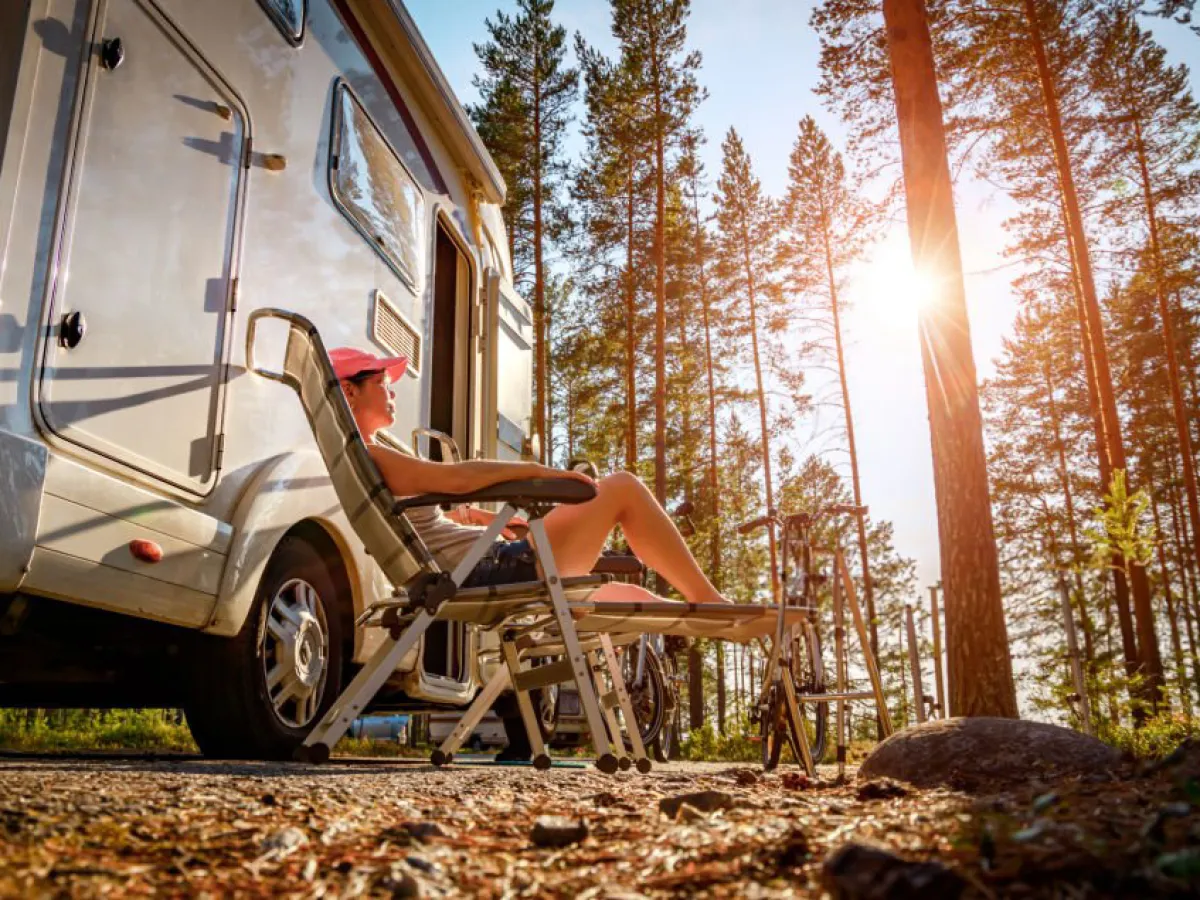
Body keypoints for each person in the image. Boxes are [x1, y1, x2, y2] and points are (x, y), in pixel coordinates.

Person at [331, 347, 730, 758]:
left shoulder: (368, 457)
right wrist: (538, 472)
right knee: (622, 488)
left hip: (494, 563)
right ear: (349, 391)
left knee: (633, 598)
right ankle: (708, 600)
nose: (392, 392)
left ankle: (704, 618)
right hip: (498, 569)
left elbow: (434, 521)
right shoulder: (375, 456)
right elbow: (460, 478)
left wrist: (483, 520)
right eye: (381, 383)